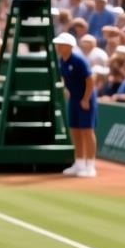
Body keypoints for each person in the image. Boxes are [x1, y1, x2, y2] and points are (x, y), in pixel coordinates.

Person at [54, 32, 96, 177]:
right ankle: (79, 163)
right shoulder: (62, 60)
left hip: (86, 99)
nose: (58, 46)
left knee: (87, 131)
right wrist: (67, 89)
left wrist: (85, 99)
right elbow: (65, 78)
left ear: (69, 46)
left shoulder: (79, 60)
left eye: (61, 44)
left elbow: (90, 80)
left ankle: (90, 165)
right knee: (75, 130)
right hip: (74, 99)